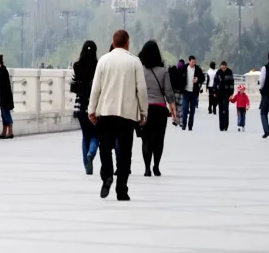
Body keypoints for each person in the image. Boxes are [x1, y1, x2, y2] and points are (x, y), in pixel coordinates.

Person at [88, 29, 148, 201]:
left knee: (105, 147)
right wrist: (143, 112)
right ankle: (122, 190)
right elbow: (142, 90)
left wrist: (91, 110)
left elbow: (96, 88)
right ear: (127, 43)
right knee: (125, 153)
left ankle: (107, 174)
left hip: (106, 113)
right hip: (127, 115)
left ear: (113, 43)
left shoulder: (103, 61)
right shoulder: (134, 62)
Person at [137, 39, 175, 178]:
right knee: (159, 139)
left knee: (146, 139)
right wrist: (173, 109)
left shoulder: (139, 70)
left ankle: (147, 168)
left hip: (145, 109)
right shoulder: (163, 70)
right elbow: (168, 91)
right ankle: (156, 167)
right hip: (159, 109)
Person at [70, 40, 99, 175]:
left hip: (80, 105)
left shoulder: (76, 66)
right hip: (94, 105)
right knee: (95, 134)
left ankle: (86, 164)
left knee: (85, 135)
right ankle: (91, 154)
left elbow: (73, 85)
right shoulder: (98, 66)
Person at [0, 54, 15, 139]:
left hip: (5, 97)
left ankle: (10, 132)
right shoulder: (2, 69)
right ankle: (4, 132)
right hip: (4, 96)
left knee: (6, 113)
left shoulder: (3, 70)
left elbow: (1, 82)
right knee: (3, 113)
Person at [180, 55, 205, 131]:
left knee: (192, 110)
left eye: (194, 62)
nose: (194, 63)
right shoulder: (184, 68)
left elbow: (203, 78)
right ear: (189, 61)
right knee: (184, 108)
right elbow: (179, 78)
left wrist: (198, 79)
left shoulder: (197, 69)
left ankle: (190, 126)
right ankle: (184, 124)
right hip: (186, 91)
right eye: (192, 62)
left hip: (194, 92)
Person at [214, 61, 235, 132]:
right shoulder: (218, 72)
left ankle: (226, 125)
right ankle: (221, 126)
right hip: (219, 93)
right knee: (220, 110)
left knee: (226, 109)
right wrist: (214, 91)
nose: (223, 69)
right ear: (220, 66)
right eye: (222, 67)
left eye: (224, 67)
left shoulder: (229, 72)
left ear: (226, 66)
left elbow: (232, 83)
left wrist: (231, 93)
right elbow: (215, 82)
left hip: (227, 93)